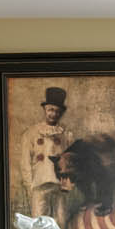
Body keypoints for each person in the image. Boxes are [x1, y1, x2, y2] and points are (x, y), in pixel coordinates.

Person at [26, 86, 71, 217]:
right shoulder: (32, 133)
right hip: (39, 182)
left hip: (59, 183)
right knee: (40, 216)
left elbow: (69, 161)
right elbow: (25, 160)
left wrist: (67, 184)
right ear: (45, 109)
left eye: (58, 111)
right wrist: (29, 183)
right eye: (51, 110)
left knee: (61, 216)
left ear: (61, 113)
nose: (54, 114)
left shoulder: (66, 134)